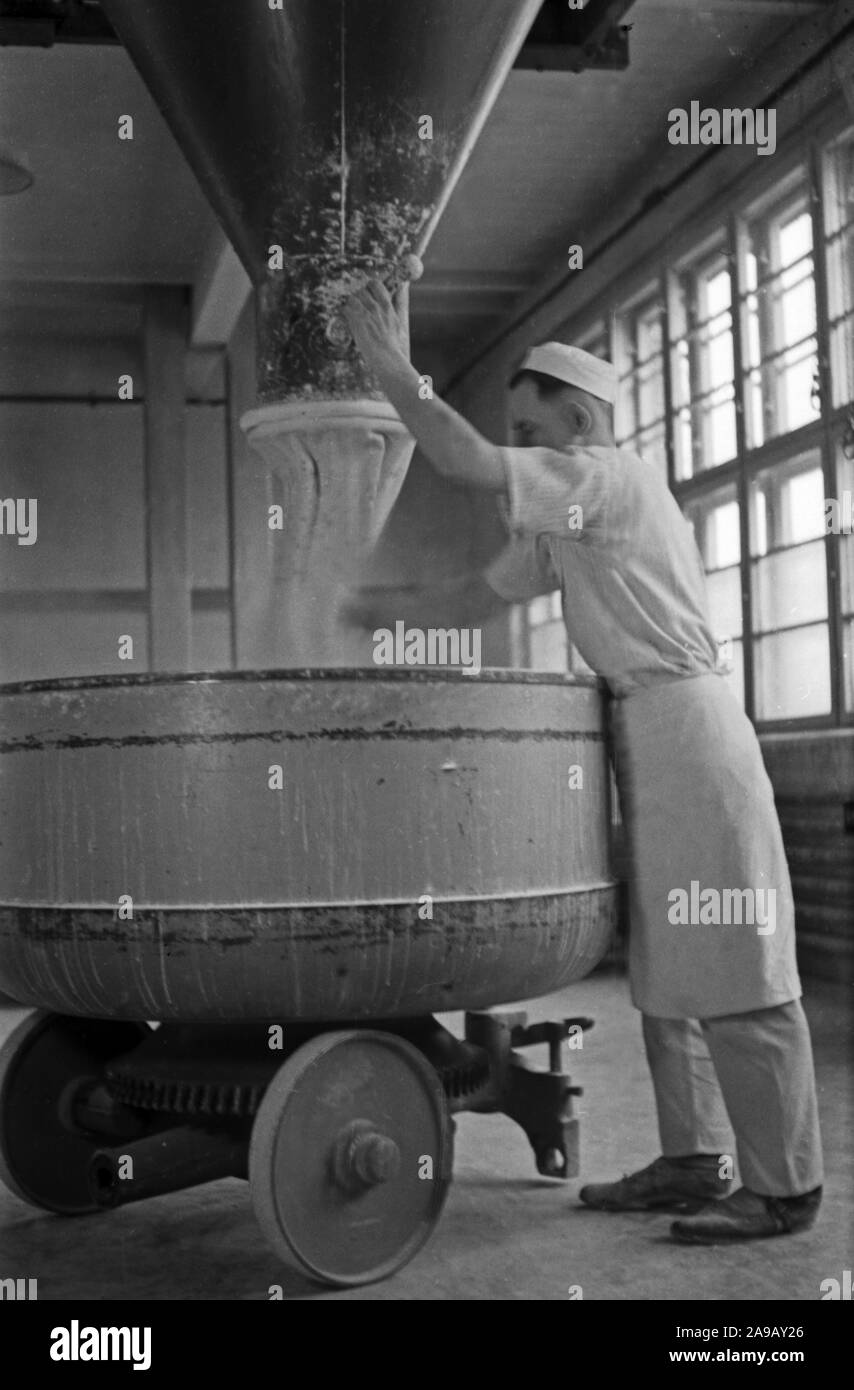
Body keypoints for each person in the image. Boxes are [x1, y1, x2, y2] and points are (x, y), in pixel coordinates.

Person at [342, 280, 823, 1244]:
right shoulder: (573, 525)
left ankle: (784, 1189)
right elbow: (476, 599)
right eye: (522, 430)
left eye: (538, 426)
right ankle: (694, 1160)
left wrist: (391, 369)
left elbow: (464, 458)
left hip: (692, 731)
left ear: (583, 415)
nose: (529, 446)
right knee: (670, 969)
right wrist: (362, 607)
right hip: (649, 733)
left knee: (734, 961)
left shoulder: (605, 478)